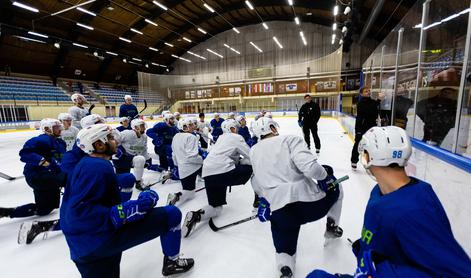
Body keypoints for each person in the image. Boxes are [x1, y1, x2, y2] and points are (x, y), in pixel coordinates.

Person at [309, 126, 471, 278]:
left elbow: (457, 272)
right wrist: (367, 247)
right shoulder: (380, 191)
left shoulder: (414, 210)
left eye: (364, 153)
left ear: (369, 157)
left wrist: (383, 271)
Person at [60, 124, 194, 277]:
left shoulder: (85, 163)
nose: (115, 141)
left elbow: (77, 205)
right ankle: (172, 262)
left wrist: (128, 206)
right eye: (110, 138)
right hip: (98, 240)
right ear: (99, 145)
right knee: (172, 214)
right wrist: (128, 210)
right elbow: (78, 213)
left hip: (82, 248)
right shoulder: (98, 167)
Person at [250, 117, 344, 278]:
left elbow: (256, 182)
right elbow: (311, 169)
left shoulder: (253, 151)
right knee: (338, 188)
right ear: (272, 128)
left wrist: (264, 199)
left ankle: (285, 268)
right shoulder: (290, 140)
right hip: (309, 205)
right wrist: (325, 176)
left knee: (284, 244)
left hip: (279, 210)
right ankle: (331, 227)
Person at [182, 119, 252, 237]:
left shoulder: (220, 138)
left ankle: (195, 215)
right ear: (232, 129)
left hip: (208, 173)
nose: (238, 129)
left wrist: (239, 160)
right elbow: (252, 156)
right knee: (253, 167)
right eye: (236, 127)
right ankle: (259, 200)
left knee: (216, 208)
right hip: (223, 171)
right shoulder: (236, 137)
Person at [0, 119, 67, 223]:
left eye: (59, 127)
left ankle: (7, 212)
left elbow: (61, 158)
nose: (59, 129)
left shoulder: (60, 142)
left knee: (45, 209)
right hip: (38, 176)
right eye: (56, 128)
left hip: (47, 175)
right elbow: (24, 153)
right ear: (47, 129)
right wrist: (42, 161)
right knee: (69, 180)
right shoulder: (41, 140)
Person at [167, 118, 204, 206]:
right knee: (212, 176)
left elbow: (174, 155)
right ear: (184, 127)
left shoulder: (176, 136)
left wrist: (177, 166)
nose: (193, 126)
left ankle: (176, 196)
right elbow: (191, 157)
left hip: (183, 170)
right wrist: (203, 160)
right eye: (190, 125)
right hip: (195, 167)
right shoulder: (191, 137)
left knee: (190, 193)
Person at [112, 119, 152, 191]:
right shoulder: (127, 133)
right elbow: (115, 140)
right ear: (136, 127)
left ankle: (138, 182)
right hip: (122, 159)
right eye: (142, 126)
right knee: (122, 182)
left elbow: (144, 149)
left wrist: (148, 158)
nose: (144, 128)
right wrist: (117, 149)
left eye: (143, 126)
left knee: (140, 159)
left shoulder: (144, 137)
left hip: (132, 158)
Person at [350, 88, 380, 169]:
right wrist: (358, 131)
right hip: (361, 127)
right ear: (361, 94)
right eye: (366, 91)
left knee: (371, 145)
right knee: (358, 144)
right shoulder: (360, 103)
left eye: (369, 91)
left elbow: (375, 113)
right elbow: (368, 112)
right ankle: (354, 160)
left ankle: (369, 161)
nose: (368, 92)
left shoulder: (373, 102)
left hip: (372, 127)